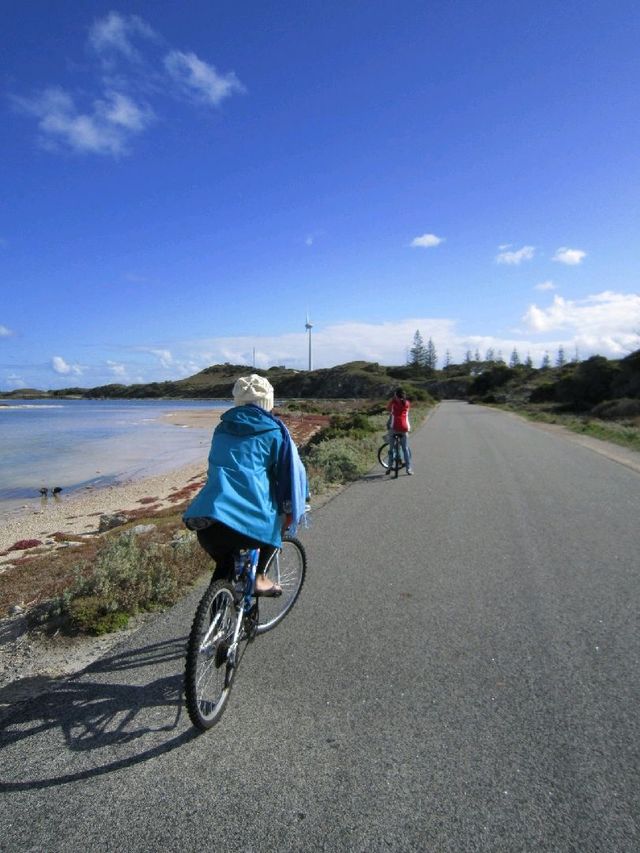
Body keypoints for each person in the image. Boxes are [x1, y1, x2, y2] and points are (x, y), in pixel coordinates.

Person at [183, 374, 308, 596]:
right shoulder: (275, 432)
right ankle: (260, 577)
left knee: (225, 568)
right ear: (268, 403)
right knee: (278, 522)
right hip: (250, 527)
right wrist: (295, 505)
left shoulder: (221, 429)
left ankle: (216, 624)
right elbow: (288, 476)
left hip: (208, 519)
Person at [386, 387, 413, 475]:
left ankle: (389, 467)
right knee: (405, 449)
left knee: (391, 449)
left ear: (395, 395)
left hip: (394, 428)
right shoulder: (407, 403)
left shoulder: (393, 404)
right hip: (404, 428)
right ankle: (408, 469)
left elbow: (388, 409)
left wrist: (393, 399)